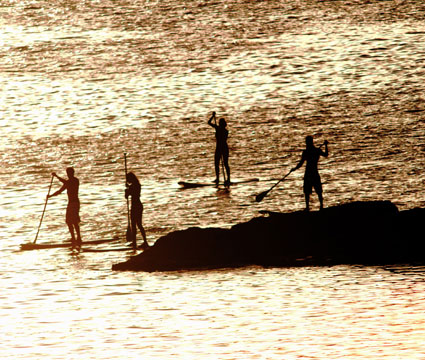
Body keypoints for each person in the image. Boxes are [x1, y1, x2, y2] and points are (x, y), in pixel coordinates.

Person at [292, 136, 329, 211]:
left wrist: (325, 145)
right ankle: (312, 207)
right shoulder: (314, 151)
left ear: (309, 142)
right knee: (308, 191)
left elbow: (325, 155)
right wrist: (325, 145)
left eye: (307, 142)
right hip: (312, 173)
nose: (306, 143)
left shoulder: (308, 152)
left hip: (310, 173)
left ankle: (318, 206)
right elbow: (326, 154)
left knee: (316, 191)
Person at [48, 167, 82, 248]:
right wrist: (50, 196)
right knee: (68, 221)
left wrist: (56, 176)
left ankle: (79, 238)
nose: (68, 174)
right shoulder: (67, 183)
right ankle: (73, 238)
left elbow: (66, 182)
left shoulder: (75, 181)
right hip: (70, 203)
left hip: (75, 203)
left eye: (69, 173)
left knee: (75, 221)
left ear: (72, 173)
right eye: (67, 173)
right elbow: (59, 191)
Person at [125, 172, 149, 249]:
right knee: (136, 225)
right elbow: (127, 196)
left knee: (137, 225)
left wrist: (127, 190)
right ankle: (137, 243)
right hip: (136, 206)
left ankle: (141, 242)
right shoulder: (137, 185)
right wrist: (127, 190)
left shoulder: (135, 186)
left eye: (128, 179)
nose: (127, 180)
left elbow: (130, 194)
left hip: (136, 206)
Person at [207, 111, 230, 186]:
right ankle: (217, 178)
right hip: (218, 148)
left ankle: (228, 179)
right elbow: (209, 122)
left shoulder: (225, 131)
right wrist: (212, 116)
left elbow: (223, 139)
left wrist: (219, 132)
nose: (219, 124)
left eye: (221, 123)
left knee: (225, 163)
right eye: (219, 123)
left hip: (224, 148)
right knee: (216, 163)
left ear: (223, 124)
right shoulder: (217, 128)